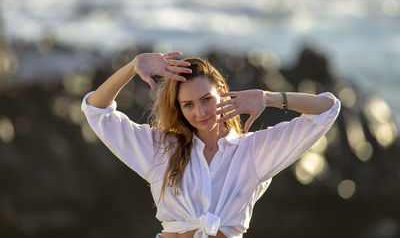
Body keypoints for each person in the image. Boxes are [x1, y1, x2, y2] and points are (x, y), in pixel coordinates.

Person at [81, 51, 341, 238]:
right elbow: (96, 111)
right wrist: (133, 66)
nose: (200, 112)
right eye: (188, 105)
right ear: (179, 109)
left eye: (207, 99)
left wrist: (269, 98)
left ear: (223, 90)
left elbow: (327, 110)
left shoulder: (252, 151)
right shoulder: (161, 149)